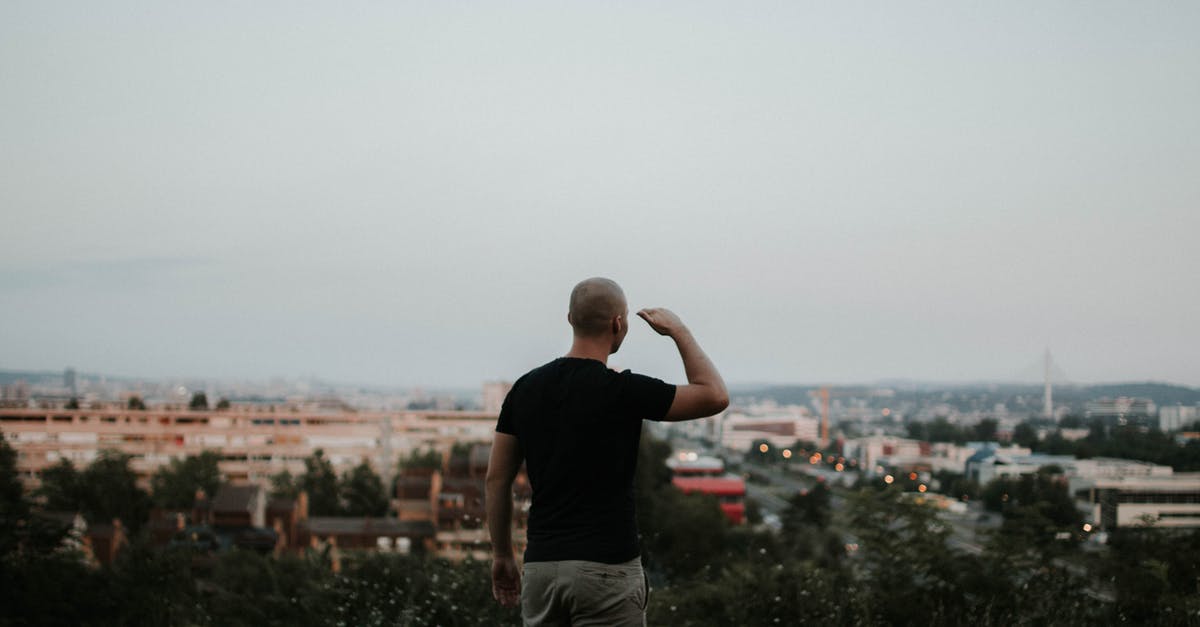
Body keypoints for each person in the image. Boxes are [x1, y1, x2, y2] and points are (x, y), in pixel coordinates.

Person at [485, 277, 728, 626]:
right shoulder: (623, 391)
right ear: (619, 324)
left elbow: (496, 479)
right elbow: (714, 395)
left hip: (542, 568)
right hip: (607, 570)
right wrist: (679, 331)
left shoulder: (524, 390)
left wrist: (502, 555)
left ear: (570, 319)